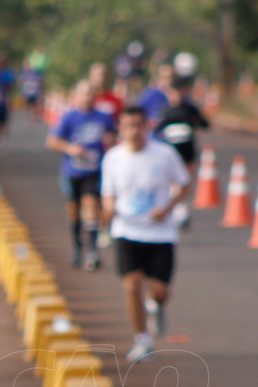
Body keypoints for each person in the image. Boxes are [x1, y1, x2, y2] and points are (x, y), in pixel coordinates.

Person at [101, 106, 191, 363]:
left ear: (147, 126)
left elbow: (184, 184)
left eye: (138, 125)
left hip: (160, 233)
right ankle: (142, 339)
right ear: (120, 128)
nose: (133, 131)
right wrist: (108, 208)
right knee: (131, 284)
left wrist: (168, 208)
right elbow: (107, 192)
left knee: (160, 291)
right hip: (127, 230)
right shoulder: (113, 158)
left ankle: (157, 306)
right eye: (128, 125)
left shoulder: (164, 155)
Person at [46, 79, 117, 270]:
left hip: (94, 171)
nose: (88, 96)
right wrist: (70, 148)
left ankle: (92, 250)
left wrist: (111, 144)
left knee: (91, 205)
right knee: (73, 211)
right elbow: (52, 141)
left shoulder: (104, 117)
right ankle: (77, 246)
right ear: (75, 96)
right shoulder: (69, 117)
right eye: (84, 93)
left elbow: (115, 135)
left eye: (91, 92)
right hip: (72, 171)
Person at [154, 78, 210, 230]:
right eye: (172, 93)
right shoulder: (165, 110)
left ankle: (182, 213)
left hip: (187, 153)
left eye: (178, 92)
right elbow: (156, 131)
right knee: (173, 184)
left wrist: (196, 121)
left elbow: (205, 124)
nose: (175, 96)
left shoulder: (189, 109)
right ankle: (176, 212)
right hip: (171, 155)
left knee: (185, 182)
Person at [137, 62, 175, 129]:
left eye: (171, 77)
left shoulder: (178, 95)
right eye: (165, 77)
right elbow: (139, 111)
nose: (169, 81)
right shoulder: (150, 94)